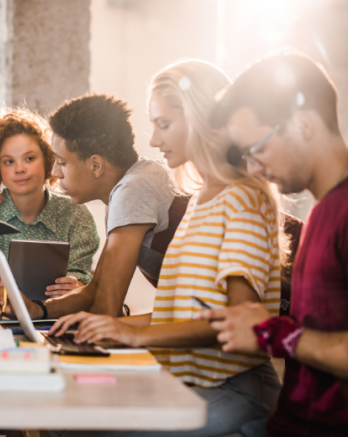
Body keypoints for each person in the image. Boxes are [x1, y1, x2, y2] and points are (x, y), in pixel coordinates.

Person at [49, 60, 284, 436]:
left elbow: (240, 322)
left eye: (164, 124)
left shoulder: (243, 200)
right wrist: (112, 326)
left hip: (237, 391)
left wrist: (133, 333)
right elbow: (184, 313)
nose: (154, 141)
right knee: (67, 415)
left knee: (86, 426)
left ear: (201, 118)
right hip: (188, 382)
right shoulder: (200, 201)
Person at [200, 51, 348, 436]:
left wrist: (276, 333)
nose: (253, 169)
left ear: (303, 124)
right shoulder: (322, 210)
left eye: (258, 148)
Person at [0, 94, 187, 321]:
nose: (55, 172)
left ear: (96, 165)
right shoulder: (129, 184)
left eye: (62, 162)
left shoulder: (133, 190)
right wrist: (38, 309)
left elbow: (106, 309)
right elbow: (96, 290)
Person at [0, 108, 99, 297]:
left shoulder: (76, 213)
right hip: (0, 313)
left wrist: (76, 287)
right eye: (9, 162)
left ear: (49, 159)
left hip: (59, 314)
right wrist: (4, 291)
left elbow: (79, 277)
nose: (20, 169)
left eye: (29, 158)